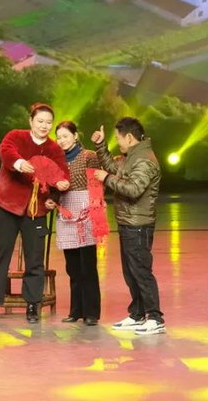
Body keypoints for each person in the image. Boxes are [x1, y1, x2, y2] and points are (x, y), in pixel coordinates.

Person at [0, 103, 70, 324]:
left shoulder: (54, 149)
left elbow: (61, 174)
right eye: (40, 121)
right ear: (31, 121)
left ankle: (33, 305)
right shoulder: (16, 136)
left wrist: (57, 193)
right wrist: (18, 163)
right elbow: (6, 151)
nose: (44, 126)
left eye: (48, 122)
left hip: (36, 211)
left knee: (34, 259)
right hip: (8, 206)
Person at [91, 117, 165, 335]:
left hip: (138, 225)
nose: (118, 142)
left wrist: (106, 179)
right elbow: (113, 166)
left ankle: (155, 318)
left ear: (130, 138)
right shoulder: (131, 157)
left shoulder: (144, 160)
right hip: (128, 222)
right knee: (131, 272)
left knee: (141, 272)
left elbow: (133, 189)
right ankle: (138, 314)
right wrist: (101, 146)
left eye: (118, 138)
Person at [53, 121, 101, 326]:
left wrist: (95, 211)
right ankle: (76, 311)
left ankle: (91, 313)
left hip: (86, 212)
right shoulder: (57, 160)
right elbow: (52, 186)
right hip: (66, 212)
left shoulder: (89, 156)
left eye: (65, 136)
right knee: (72, 266)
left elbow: (96, 185)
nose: (62, 140)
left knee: (87, 265)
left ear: (75, 136)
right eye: (59, 137)